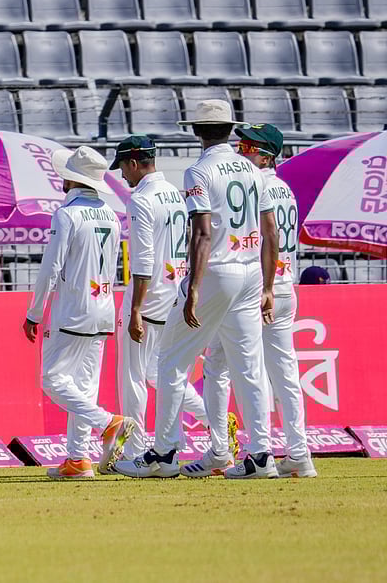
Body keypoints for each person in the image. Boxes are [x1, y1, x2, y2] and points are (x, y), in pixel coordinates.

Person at [116, 100, 279, 480]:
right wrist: (268, 285)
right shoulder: (254, 169)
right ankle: (260, 456)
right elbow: (271, 232)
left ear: (197, 131)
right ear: (229, 129)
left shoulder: (199, 170)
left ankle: (164, 453)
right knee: (250, 368)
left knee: (171, 361)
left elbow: (203, 233)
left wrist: (193, 291)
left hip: (217, 272)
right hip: (251, 269)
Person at [189, 124, 317, 478]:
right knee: (284, 373)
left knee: (221, 366)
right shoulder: (284, 189)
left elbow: (260, 237)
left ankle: (228, 450)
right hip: (284, 285)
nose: (241, 150)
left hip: (258, 287)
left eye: (248, 146)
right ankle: (299, 452)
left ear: (266, 155)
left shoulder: (256, 185)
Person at [23, 146, 137, 480]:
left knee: (53, 380)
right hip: (103, 306)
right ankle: (78, 458)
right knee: (83, 388)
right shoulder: (110, 215)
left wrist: (34, 311)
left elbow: (51, 267)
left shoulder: (67, 214)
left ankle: (108, 423)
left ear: (72, 178)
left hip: (73, 308)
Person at [110, 136, 210, 466]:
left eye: (124, 167)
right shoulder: (174, 194)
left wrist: (136, 308)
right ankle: (214, 421)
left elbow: (143, 259)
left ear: (135, 164)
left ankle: (137, 449)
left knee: (134, 377)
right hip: (174, 295)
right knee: (164, 373)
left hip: (149, 298)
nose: (123, 175)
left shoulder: (140, 199)